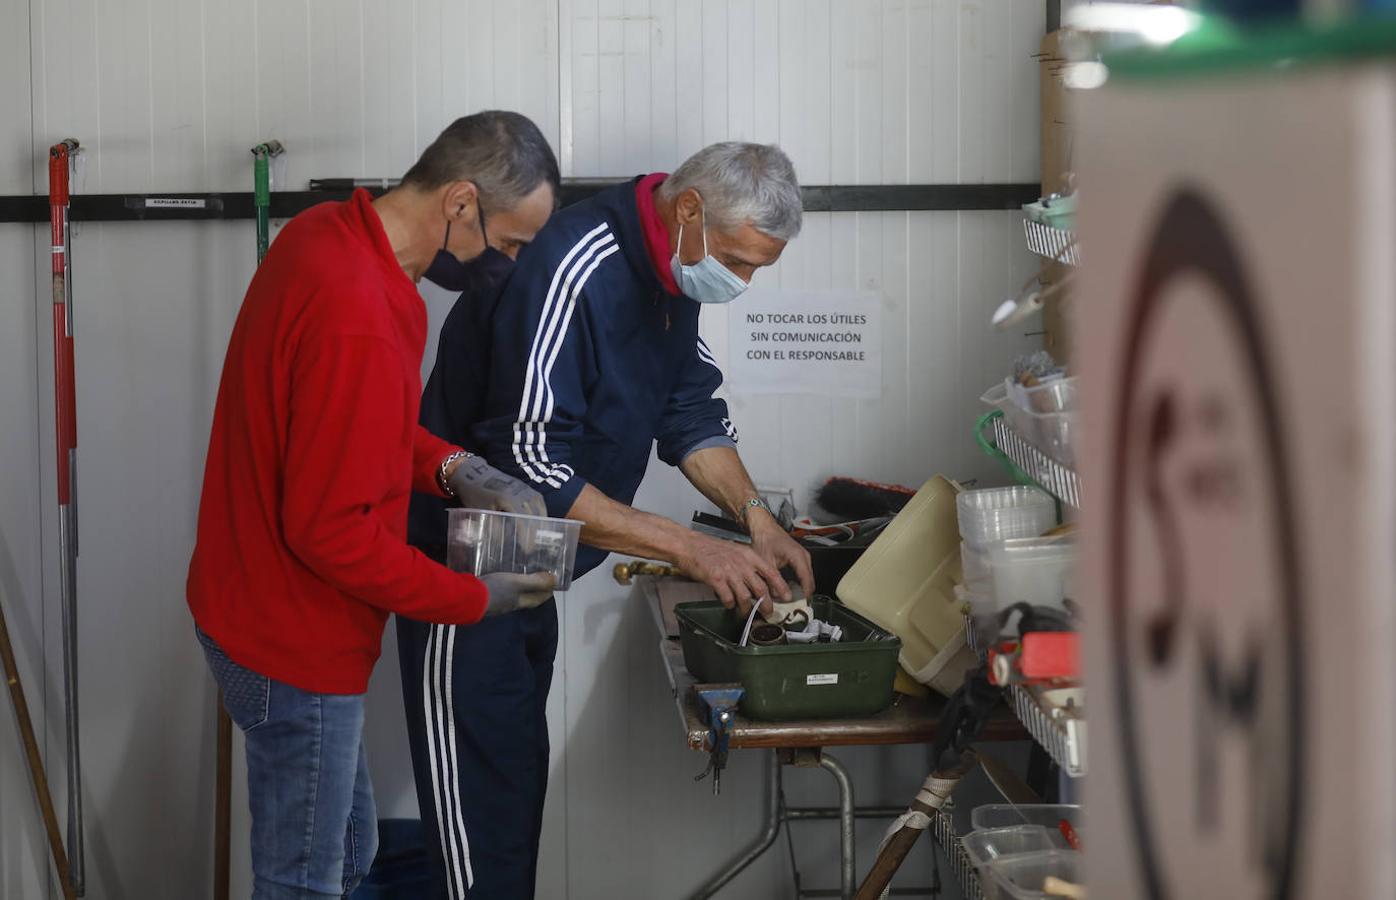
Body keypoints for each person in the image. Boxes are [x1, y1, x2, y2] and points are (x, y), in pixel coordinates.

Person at [399, 141, 814, 899]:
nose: (744, 284)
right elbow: (528, 470)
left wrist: (756, 518)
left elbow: (687, 411)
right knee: (476, 832)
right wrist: (695, 549)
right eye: (739, 260)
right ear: (688, 209)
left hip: (530, 572)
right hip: (458, 575)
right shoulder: (570, 264)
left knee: (514, 795)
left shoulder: (675, 272)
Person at [186, 110, 562, 900]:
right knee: (304, 883)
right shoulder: (359, 308)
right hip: (295, 643)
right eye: (512, 245)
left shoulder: (328, 234)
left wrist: (456, 466)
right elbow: (330, 533)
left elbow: (346, 425)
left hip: (247, 604)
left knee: (349, 855)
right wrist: (473, 597)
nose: (512, 266)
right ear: (462, 203)